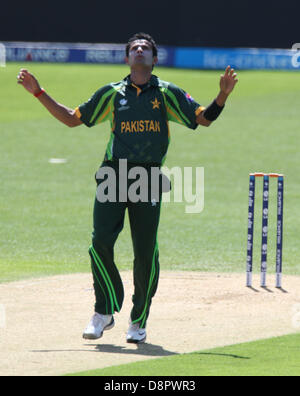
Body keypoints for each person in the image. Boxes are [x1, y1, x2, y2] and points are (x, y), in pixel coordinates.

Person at [17, 32, 238, 344]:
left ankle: (137, 321)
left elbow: (202, 118)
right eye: (134, 47)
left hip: (148, 178)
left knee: (145, 253)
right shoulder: (112, 93)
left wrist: (222, 96)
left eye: (145, 48)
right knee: (99, 244)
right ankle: (103, 310)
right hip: (113, 175)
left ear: (154, 59)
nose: (139, 50)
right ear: (126, 58)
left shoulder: (166, 93)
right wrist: (38, 92)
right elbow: (71, 119)